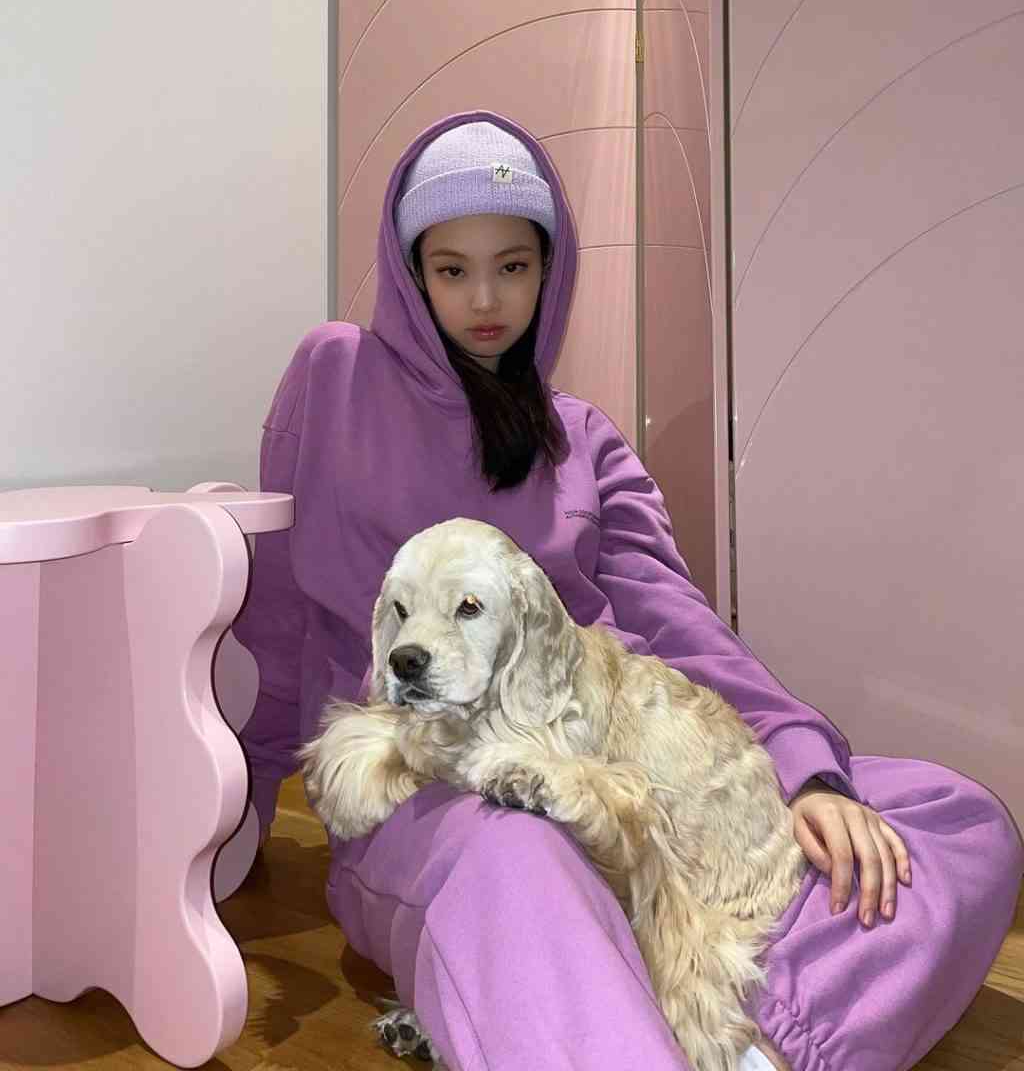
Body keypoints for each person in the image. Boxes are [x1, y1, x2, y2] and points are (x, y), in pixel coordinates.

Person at [232, 109, 1023, 1071]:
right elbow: (274, 611)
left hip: (626, 763)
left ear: (549, 269)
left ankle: (761, 1036)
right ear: (410, 274)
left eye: (513, 265)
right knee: (520, 849)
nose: (484, 297)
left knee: (955, 816)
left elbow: (677, 625)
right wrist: (238, 816)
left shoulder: (581, 436)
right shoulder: (335, 376)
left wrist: (806, 771)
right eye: (450, 268)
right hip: (430, 789)